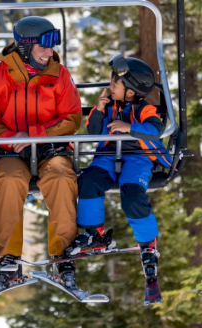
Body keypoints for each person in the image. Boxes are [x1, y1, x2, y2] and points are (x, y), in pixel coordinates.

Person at [0, 16, 82, 287]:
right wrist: (12, 138)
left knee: (60, 177)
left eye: (52, 45)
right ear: (25, 47)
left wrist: (35, 135)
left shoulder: (59, 74)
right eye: (44, 46)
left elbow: (71, 118)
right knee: (8, 181)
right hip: (10, 150)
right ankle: (9, 257)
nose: (50, 52)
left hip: (50, 146)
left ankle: (63, 254)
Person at [65, 54, 172, 278]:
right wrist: (100, 109)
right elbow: (94, 132)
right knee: (88, 181)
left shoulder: (145, 110)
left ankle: (148, 243)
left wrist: (129, 126)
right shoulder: (109, 107)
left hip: (137, 157)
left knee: (132, 195)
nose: (110, 86)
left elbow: (155, 131)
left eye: (115, 83)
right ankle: (94, 233)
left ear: (131, 91)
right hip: (107, 156)